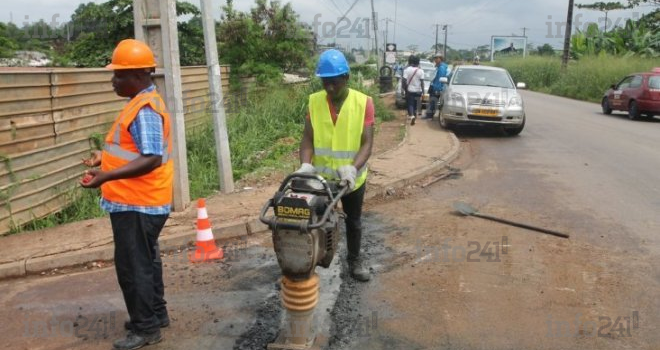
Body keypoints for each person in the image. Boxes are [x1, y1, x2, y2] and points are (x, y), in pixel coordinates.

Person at [81, 38, 172, 350]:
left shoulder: (145, 109)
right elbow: (131, 151)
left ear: (138, 75)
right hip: (141, 202)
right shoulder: (140, 103)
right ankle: (156, 315)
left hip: (137, 203)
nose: (113, 81)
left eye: (118, 75)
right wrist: (102, 160)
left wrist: (106, 175)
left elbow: (151, 158)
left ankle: (145, 329)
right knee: (146, 261)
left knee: (133, 268)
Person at [296, 49, 374, 282]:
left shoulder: (364, 103)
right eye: (325, 83)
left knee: (354, 220)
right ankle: (313, 260)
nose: (329, 89)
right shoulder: (315, 101)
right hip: (321, 179)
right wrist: (305, 166)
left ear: (346, 78)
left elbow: (367, 143)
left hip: (352, 178)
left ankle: (355, 260)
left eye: (334, 83)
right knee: (315, 220)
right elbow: (307, 139)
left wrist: (353, 168)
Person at [422, 53, 448, 120]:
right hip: (434, 86)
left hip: (437, 88)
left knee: (433, 102)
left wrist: (437, 89)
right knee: (431, 102)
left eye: (437, 58)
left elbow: (440, 79)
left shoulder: (442, 68)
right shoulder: (438, 67)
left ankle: (429, 116)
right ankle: (429, 115)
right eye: (435, 58)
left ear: (441, 59)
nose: (435, 60)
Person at [402, 55, 424, 125]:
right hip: (418, 91)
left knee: (410, 104)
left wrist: (404, 89)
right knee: (416, 105)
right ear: (418, 63)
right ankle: (414, 116)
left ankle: (412, 116)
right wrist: (423, 92)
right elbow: (422, 82)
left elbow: (404, 80)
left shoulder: (407, 70)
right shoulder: (421, 71)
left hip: (410, 90)